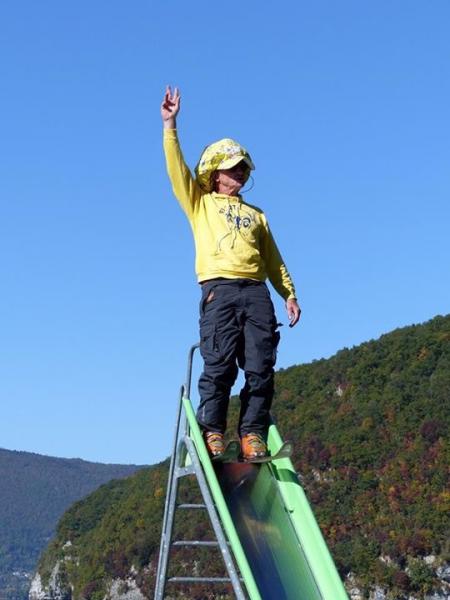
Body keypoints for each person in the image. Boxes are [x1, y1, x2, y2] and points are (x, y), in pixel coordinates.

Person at [161, 86, 301, 460]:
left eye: (242, 166)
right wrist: (170, 125)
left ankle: (253, 433)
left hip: (256, 292)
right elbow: (177, 171)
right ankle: (213, 433)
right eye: (232, 167)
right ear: (215, 173)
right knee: (219, 364)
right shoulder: (200, 203)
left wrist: (288, 293)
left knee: (261, 367)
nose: (239, 172)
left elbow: (273, 259)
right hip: (219, 290)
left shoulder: (257, 215)